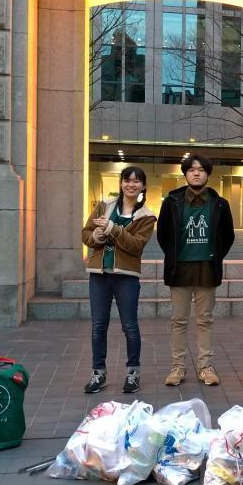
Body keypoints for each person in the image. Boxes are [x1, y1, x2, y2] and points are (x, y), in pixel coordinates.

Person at [156, 155, 235, 387]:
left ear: (208, 174)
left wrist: (215, 256)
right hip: (180, 269)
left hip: (206, 268)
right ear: (185, 174)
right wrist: (174, 256)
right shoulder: (172, 202)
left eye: (201, 170)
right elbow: (163, 234)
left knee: (205, 320)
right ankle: (178, 367)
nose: (196, 173)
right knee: (179, 320)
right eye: (192, 170)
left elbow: (227, 236)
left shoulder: (219, 203)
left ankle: (205, 367)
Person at [81, 166, 156, 394]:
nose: (130, 185)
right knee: (98, 326)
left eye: (136, 181)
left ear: (143, 186)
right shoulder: (104, 205)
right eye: (126, 180)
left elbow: (135, 246)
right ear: (121, 183)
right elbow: (85, 234)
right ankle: (98, 374)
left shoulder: (146, 216)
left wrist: (112, 228)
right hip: (100, 274)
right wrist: (96, 235)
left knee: (130, 326)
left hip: (126, 277)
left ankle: (133, 373)